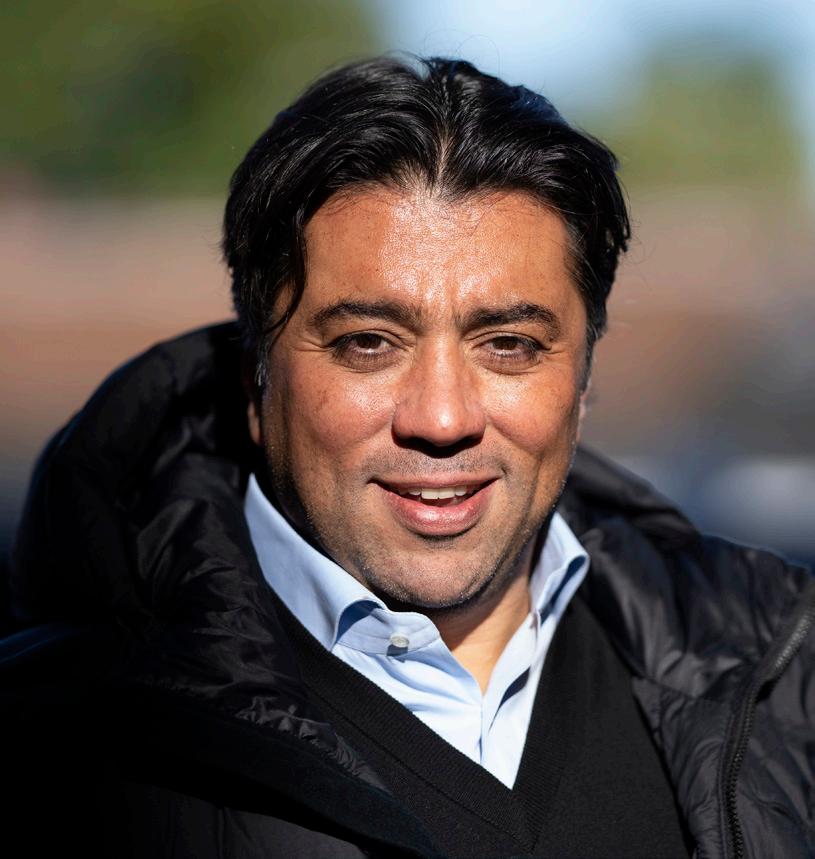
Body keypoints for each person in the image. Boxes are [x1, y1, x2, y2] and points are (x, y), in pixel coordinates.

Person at [3, 56, 814, 859]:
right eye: (368, 343)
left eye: (508, 344)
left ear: (581, 379)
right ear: (256, 380)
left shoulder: (783, 681)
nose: (441, 417)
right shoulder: (51, 753)